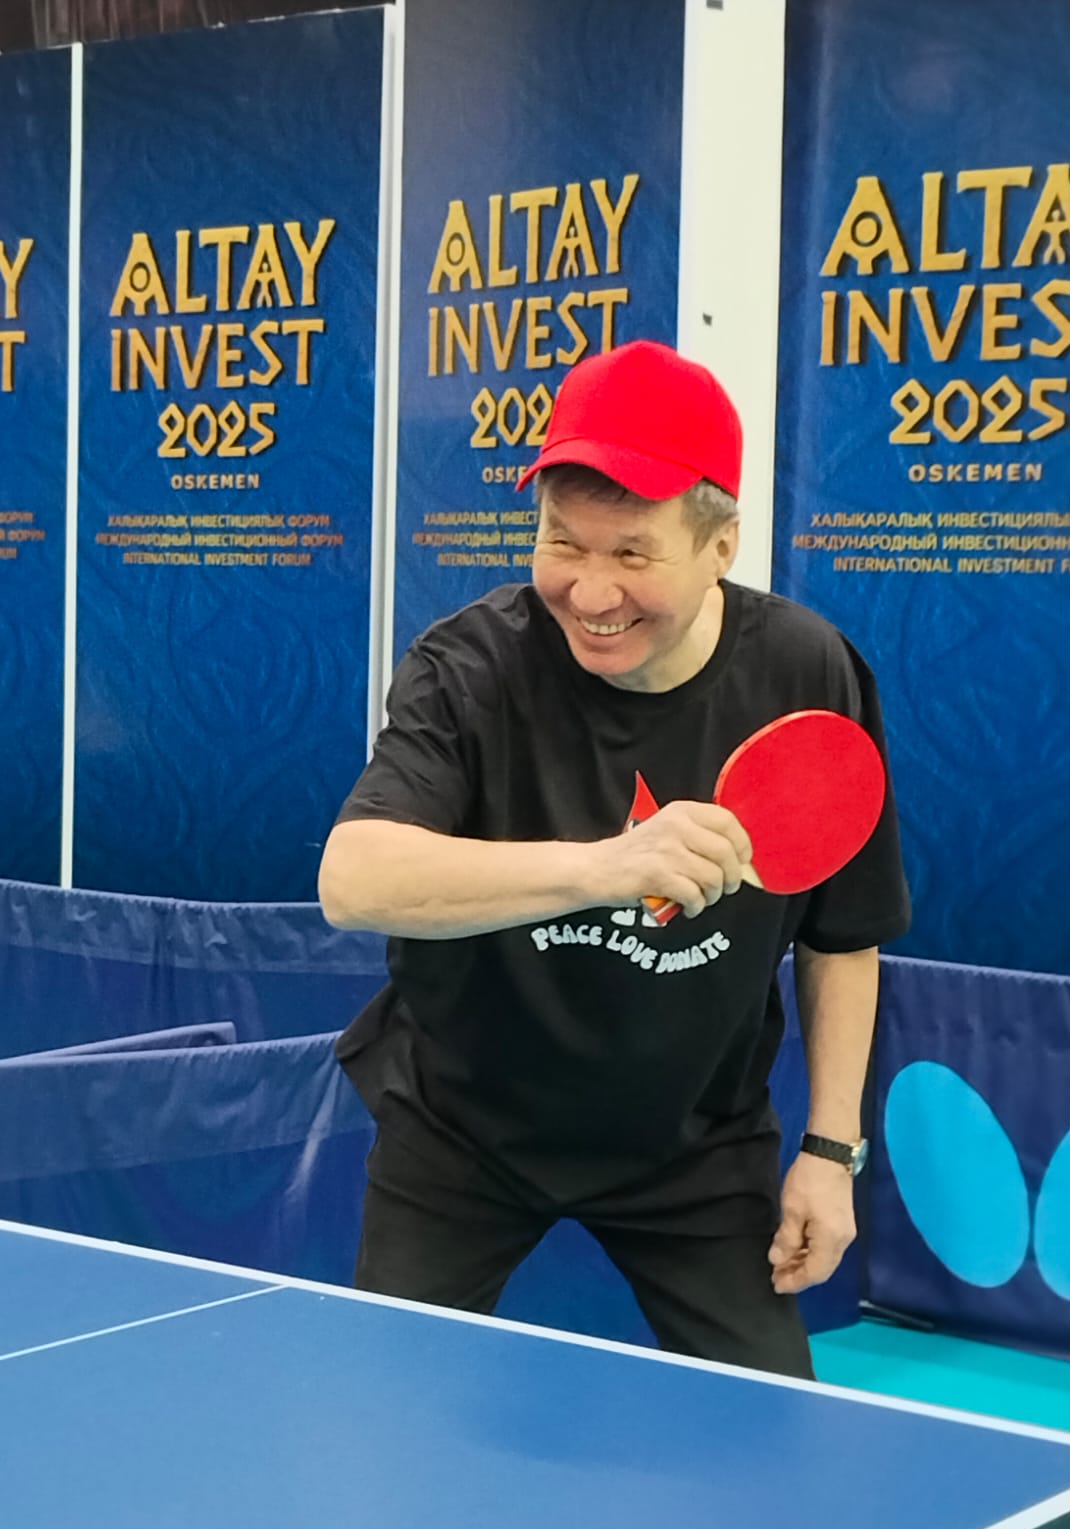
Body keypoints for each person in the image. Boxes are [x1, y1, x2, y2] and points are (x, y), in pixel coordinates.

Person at [318, 339, 910, 1378]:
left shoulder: (808, 672)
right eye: (562, 542)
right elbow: (352, 879)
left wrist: (829, 1150)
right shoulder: (469, 666)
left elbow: (842, 937)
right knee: (389, 1413)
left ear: (721, 544)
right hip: (465, 1128)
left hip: (693, 1143)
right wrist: (605, 867)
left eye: (633, 555)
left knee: (765, 1431)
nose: (591, 591)